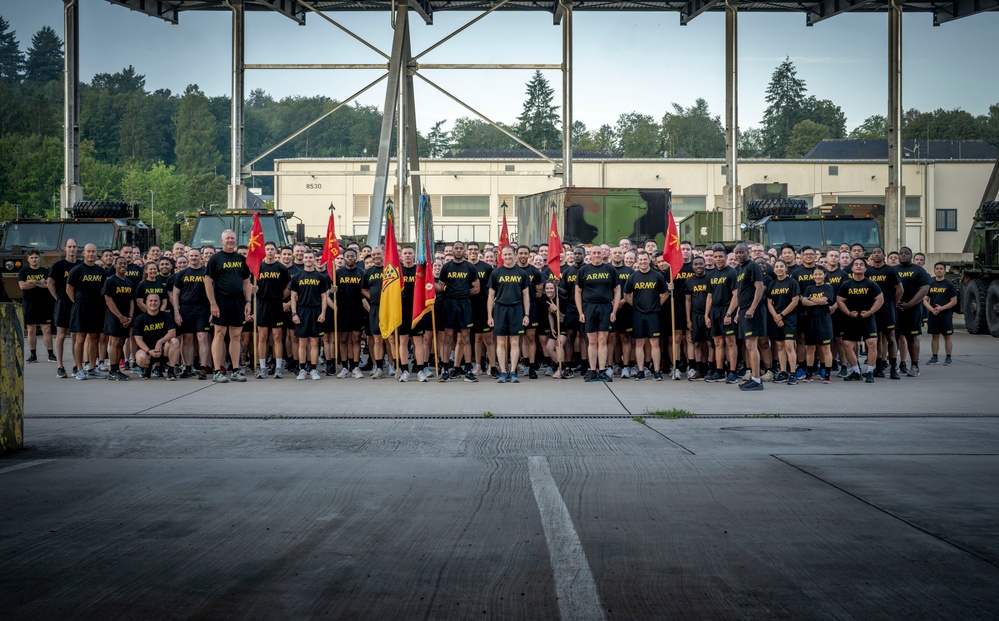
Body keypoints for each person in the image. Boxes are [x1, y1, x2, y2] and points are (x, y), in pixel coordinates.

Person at [204, 229, 252, 383]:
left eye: (232, 238)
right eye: (227, 238)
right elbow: (208, 281)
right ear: (222, 241)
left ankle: (236, 370)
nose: (230, 241)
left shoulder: (241, 259)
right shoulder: (215, 259)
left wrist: (248, 302)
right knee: (219, 334)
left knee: (236, 336)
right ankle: (217, 371)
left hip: (238, 302)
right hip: (221, 302)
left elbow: (246, 281)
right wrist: (213, 304)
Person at [575, 245, 620, 382]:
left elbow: (617, 291)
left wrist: (614, 311)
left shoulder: (610, 269)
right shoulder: (584, 270)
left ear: (603, 254)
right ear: (590, 254)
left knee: (603, 340)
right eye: (593, 253)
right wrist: (581, 312)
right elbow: (577, 292)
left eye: (599, 253)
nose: (596, 255)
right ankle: (592, 370)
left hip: (605, 307)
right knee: (592, 340)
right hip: (589, 308)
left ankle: (602, 370)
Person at [436, 241, 480, 383]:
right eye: (456, 248)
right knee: (448, 338)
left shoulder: (470, 267)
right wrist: (427, 280)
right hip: (449, 304)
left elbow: (477, 288)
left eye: (461, 248)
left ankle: (467, 370)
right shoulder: (446, 267)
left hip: (465, 304)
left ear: (464, 251)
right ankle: (445, 370)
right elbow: (441, 288)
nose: (459, 250)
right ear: (452, 251)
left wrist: (463, 293)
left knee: (466, 337)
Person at [487, 246, 531, 383]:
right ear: (501, 256)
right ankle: (503, 372)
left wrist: (526, 314)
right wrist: (490, 315)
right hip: (500, 309)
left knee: (514, 341)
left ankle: (513, 372)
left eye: (510, 254)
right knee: (500, 342)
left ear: (515, 255)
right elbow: (491, 296)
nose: (507, 257)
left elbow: (526, 296)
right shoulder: (496, 273)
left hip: (516, 309)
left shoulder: (521, 273)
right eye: (505, 255)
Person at [836, 258, 883, 383]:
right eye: (855, 264)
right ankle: (856, 371)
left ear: (865, 268)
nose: (858, 266)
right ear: (852, 269)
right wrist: (848, 313)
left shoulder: (871, 284)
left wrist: (870, 312)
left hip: (867, 319)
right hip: (851, 319)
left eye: (861, 264)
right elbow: (840, 300)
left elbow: (880, 299)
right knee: (846, 345)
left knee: (872, 343)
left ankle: (869, 372)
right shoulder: (846, 284)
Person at [66, 244, 108, 380]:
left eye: (93, 252)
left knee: (94, 337)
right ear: (83, 253)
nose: (91, 254)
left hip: (96, 308)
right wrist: (78, 302)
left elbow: (103, 288)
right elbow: (69, 290)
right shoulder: (77, 270)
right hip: (81, 308)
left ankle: (92, 368)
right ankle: (79, 368)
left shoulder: (100, 271)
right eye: (88, 251)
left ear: (97, 254)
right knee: (80, 338)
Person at [624, 251, 668, 381]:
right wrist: (636, 306)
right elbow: (626, 295)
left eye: (645, 259)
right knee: (639, 342)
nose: (643, 262)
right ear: (637, 261)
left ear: (649, 260)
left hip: (653, 314)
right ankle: (641, 371)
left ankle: (656, 371)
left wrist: (656, 305)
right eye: (641, 260)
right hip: (638, 314)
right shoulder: (633, 277)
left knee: (654, 342)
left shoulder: (657, 276)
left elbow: (665, 293)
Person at [172, 248, 212, 379]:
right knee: (187, 339)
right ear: (188, 257)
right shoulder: (181, 274)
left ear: (201, 257)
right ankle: (187, 367)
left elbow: (213, 293)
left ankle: (202, 368)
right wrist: (177, 313)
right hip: (186, 308)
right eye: (191, 256)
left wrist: (212, 309)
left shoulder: (207, 273)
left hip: (203, 308)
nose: (194, 258)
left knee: (202, 338)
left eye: (196, 255)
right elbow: (175, 294)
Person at [290, 250, 330, 381]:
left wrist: (323, 313)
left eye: (310, 257)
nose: (307, 260)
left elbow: (324, 297)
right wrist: (294, 313)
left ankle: (313, 369)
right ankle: (302, 369)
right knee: (302, 342)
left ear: (314, 259)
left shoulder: (321, 277)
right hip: (302, 311)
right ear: (302, 258)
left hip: (315, 310)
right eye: (306, 257)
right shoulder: (297, 276)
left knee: (314, 341)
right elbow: (293, 296)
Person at [254, 241, 291, 379]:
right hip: (262, 304)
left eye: (272, 249)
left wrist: (282, 296)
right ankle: (262, 368)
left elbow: (289, 285)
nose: (269, 251)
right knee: (262, 336)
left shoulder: (281, 268)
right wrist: (253, 291)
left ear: (276, 252)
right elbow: (250, 284)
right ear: (264, 251)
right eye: (267, 249)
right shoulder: (258, 267)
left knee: (277, 336)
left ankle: (279, 367)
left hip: (276, 305)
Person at [866, 247, 903, 379]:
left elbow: (900, 289)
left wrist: (893, 302)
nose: (876, 255)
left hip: (887, 307)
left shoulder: (890, 270)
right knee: (877, 338)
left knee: (890, 337)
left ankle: (894, 368)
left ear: (884, 255)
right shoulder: (868, 271)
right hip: (874, 308)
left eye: (879, 253)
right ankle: (879, 367)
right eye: (874, 253)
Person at [704, 243, 739, 384]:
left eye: (720, 256)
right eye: (715, 257)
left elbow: (736, 296)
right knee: (718, 342)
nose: (718, 259)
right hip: (715, 311)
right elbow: (709, 297)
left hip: (727, 309)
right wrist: (706, 315)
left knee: (730, 341)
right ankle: (719, 371)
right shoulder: (711, 274)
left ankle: (732, 371)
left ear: (726, 257)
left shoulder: (732, 273)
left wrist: (729, 314)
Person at [733, 243, 766, 391]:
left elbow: (759, 288)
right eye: (736, 253)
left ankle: (757, 380)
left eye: (741, 252)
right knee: (748, 346)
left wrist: (752, 308)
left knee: (752, 346)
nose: (739, 255)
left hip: (752, 311)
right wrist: (738, 311)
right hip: (744, 311)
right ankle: (753, 377)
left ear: (748, 252)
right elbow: (742, 293)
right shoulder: (740, 269)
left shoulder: (752, 266)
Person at [894, 247, 931, 377]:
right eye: (901, 253)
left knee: (912, 338)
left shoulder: (919, 271)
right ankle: (892, 366)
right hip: (896, 310)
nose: (903, 256)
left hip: (913, 310)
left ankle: (914, 366)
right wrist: (895, 303)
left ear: (911, 256)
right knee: (894, 337)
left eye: (906, 253)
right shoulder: (893, 270)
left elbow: (924, 289)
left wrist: (909, 304)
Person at [47, 239, 80, 377]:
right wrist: (58, 298)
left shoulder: (80, 265)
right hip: (63, 304)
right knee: (60, 335)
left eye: (74, 247)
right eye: (69, 247)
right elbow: (50, 284)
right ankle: (60, 366)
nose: (72, 249)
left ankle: (75, 365)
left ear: (77, 248)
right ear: (65, 248)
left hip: (76, 304)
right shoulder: (58, 266)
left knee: (75, 336)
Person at [132, 292, 180, 380]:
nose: (153, 303)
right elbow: (138, 339)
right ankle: (147, 368)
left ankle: (171, 370)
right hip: (148, 351)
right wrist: (148, 351)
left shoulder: (166, 315)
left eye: (155, 301)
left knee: (175, 341)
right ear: (146, 303)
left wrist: (160, 342)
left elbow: (172, 333)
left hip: (163, 350)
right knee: (140, 358)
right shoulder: (140, 319)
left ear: (160, 302)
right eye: (150, 301)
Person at [766, 260, 800, 385]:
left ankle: (792, 373)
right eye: (776, 266)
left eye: (781, 266)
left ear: (786, 268)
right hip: (776, 318)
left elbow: (795, 301)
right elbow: (769, 302)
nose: (779, 268)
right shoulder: (772, 284)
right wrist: (776, 316)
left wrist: (781, 315)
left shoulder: (792, 282)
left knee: (789, 346)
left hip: (789, 318)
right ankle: (783, 372)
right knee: (780, 346)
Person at [800, 265, 836, 383]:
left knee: (826, 348)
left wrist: (811, 299)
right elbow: (804, 302)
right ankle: (809, 374)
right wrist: (816, 301)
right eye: (815, 274)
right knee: (810, 348)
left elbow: (824, 300)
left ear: (824, 275)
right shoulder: (809, 288)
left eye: (820, 274)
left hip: (824, 320)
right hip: (810, 319)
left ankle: (827, 375)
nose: (817, 276)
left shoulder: (828, 287)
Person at [18, 249, 54, 363]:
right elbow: (22, 286)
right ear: (28, 259)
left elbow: (47, 285)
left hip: (44, 303)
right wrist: (37, 281)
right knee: (31, 330)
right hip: (29, 304)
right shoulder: (23, 271)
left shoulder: (46, 271)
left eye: (36, 257)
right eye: (32, 257)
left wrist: (31, 282)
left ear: (40, 258)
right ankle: (33, 355)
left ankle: (51, 354)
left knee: (46, 329)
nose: (34, 259)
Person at [335, 248, 367, 378]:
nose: (350, 258)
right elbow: (329, 292)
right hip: (342, 309)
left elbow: (365, 291)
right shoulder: (337, 273)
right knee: (343, 339)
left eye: (352, 256)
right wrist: (333, 290)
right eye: (347, 256)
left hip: (357, 309)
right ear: (344, 258)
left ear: (356, 257)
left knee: (356, 339)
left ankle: (355, 366)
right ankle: (344, 367)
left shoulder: (362, 272)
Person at [102, 256, 134, 382]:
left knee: (121, 342)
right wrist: (120, 317)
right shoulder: (110, 281)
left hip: (126, 318)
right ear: (115, 265)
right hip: (115, 317)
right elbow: (108, 301)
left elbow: (132, 301)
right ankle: (113, 370)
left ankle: (117, 370)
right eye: (120, 263)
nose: (123, 266)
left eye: (125, 264)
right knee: (115, 342)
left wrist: (130, 317)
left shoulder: (128, 282)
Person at [467, 242, 496, 378]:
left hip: (484, 307)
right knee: (476, 338)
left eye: (475, 249)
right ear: (467, 252)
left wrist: (493, 302)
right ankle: (478, 365)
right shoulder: (463, 267)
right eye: (470, 249)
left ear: (479, 251)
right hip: (467, 306)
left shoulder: (487, 267)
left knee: (488, 339)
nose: (473, 251)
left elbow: (493, 288)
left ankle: (492, 366)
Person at [516, 245, 544, 379]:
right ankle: (520, 364)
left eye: (525, 253)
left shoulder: (535, 272)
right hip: (515, 306)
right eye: (520, 253)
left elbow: (539, 290)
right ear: (517, 255)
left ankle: (531, 366)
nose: (523, 256)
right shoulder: (512, 270)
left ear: (529, 255)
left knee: (531, 337)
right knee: (517, 338)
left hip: (531, 306)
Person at [361, 246, 388, 378]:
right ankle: (379, 367)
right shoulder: (368, 272)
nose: (376, 256)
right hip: (376, 308)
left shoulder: (390, 269)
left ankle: (396, 366)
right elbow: (364, 289)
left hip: (389, 308)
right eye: (373, 254)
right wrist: (374, 298)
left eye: (378, 254)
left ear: (384, 254)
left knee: (391, 339)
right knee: (377, 339)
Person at [924, 262, 957, 365]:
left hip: (945, 315)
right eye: (937, 268)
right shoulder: (930, 284)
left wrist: (942, 308)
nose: (939, 270)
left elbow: (954, 301)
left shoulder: (949, 285)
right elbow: (925, 300)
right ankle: (934, 357)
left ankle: (948, 357)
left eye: (941, 269)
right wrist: (931, 309)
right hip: (933, 315)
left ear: (945, 271)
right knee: (935, 336)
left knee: (947, 336)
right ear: (934, 271)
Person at [684, 256, 711, 380]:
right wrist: (689, 319)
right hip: (695, 316)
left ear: (705, 264)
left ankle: (711, 368)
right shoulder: (689, 281)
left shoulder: (710, 278)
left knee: (710, 343)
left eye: (701, 264)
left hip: (709, 315)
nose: (699, 266)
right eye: (696, 264)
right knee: (697, 343)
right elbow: (688, 301)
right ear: (693, 266)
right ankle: (699, 369)